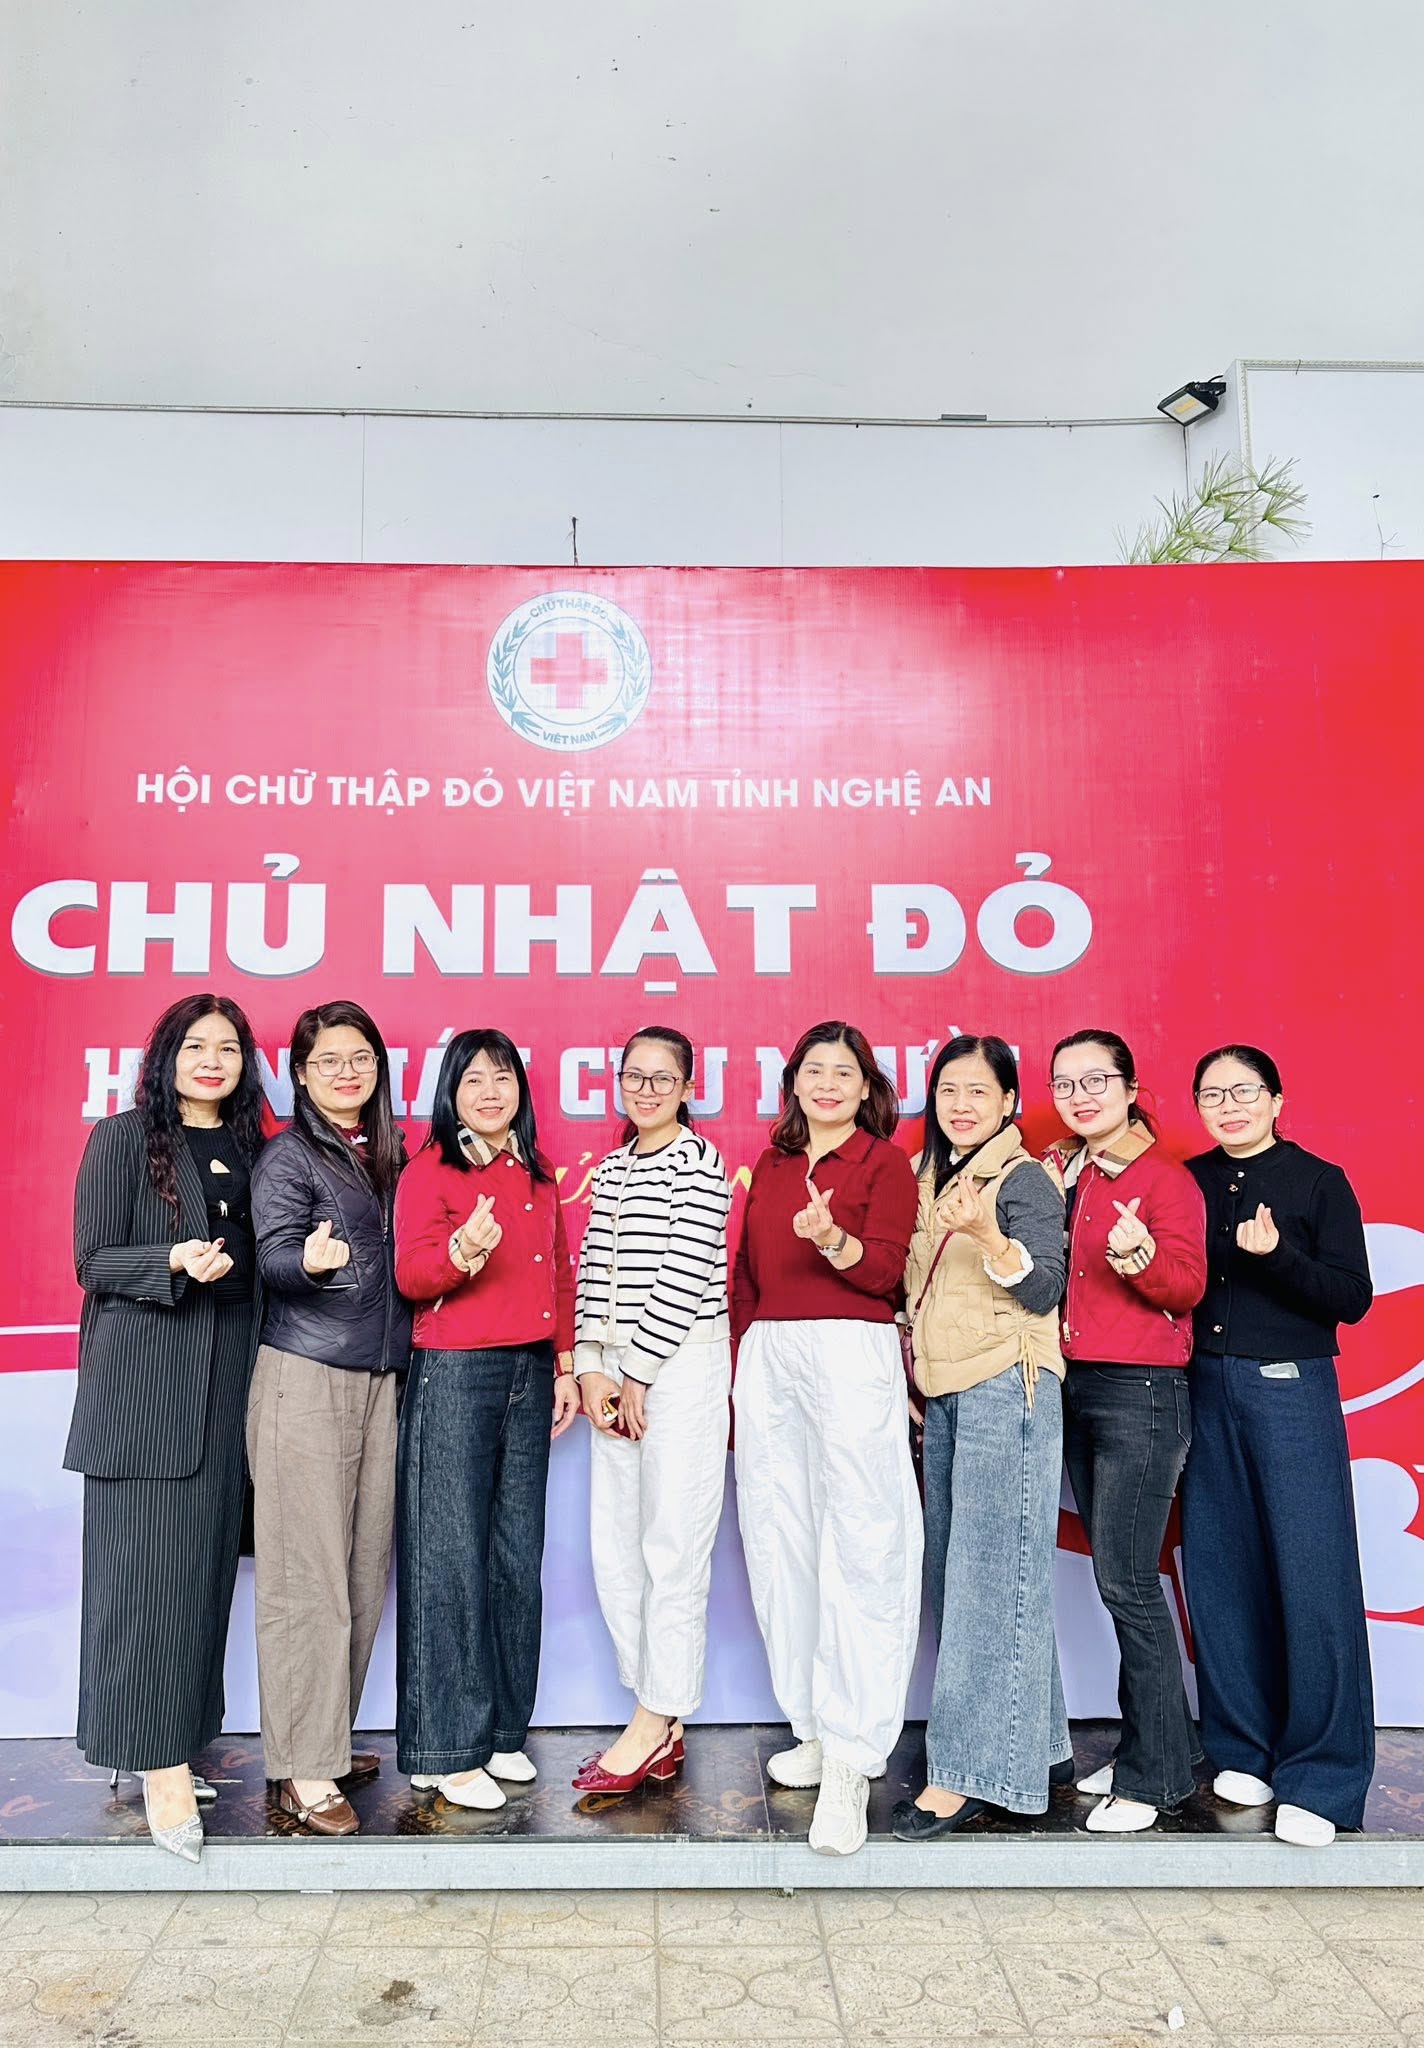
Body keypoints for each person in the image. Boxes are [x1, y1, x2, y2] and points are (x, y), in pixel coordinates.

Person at [65, 994, 266, 1864]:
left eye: (228, 1048)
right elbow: (93, 1260)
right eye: (195, 1046)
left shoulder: (255, 1148)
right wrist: (172, 1260)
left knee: (199, 1584)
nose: (212, 1060)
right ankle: (160, 1768)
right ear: (166, 1057)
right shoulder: (122, 1139)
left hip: (229, 1394)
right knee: (143, 1586)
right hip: (145, 1395)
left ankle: (172, 1741)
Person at [732, 1020, 921, 1857]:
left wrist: (833, 1241)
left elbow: (884, 1272)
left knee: (863, 1542)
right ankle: (813, 1724)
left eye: (844, 1072)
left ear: (867, 1085)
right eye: (814, 1070)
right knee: (782, 1540)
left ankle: (854, 1752)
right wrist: (745, 1363)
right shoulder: (773, 1164)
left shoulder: (883, 1163)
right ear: (794, 1084)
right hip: (771, 1353)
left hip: (851, 1349)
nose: (828, 1084)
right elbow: (746, 1276)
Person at [1182, 1044, 1374, 1848]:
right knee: (1220, 1571)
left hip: (1290, 1387)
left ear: (1276, 1099)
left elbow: (1352, 1297)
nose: (1228, 1107)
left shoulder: (1318, 1181)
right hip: (1202, 1386)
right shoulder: (1186, 1181)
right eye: (1212, 1095)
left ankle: (1324, 1777)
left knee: (1312, 1575)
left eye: (1244, 1092)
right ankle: (1242, 1749)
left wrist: (1278, 1257)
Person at [891, 1035, 1073, 1840]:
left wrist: (990, 1237)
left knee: (989, 1578)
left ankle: (970, 1775)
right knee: (966, 1573)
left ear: (1008, 1103)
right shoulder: (930, 1177)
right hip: (946, 1390)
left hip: (1009, 1382)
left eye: (978, 1092)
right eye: (948, 1091)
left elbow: (1045, 1286)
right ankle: (1045, 1744)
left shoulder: (1023, 1178)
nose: (961, 1105)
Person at [393, 1030, 579, 1811]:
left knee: (513, 1558)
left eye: (503, 1078)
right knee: (449, 1560)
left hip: (529, 1373)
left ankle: (501, 1731)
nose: (490, 1092)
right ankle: (444, 1749)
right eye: (473, 1080)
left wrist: (564, 1363)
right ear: (451, 1093)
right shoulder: (430, 1170)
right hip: (456, 1372)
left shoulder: (536, 1173)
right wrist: (463, 1252)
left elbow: (559, 1270)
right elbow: (412, 1275)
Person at [247, 1000, 411, 1838]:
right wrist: (306, 1263)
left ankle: (325, 1739)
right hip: (305, 1377)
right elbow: (273, 1255)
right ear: (302, 1076)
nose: (347, 1073)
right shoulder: (288, 1155)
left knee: (359, 1573)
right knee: (303, 1580)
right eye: (329, 1061)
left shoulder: (389, 1154)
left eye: (361, 1059)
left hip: (380, 1378)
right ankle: (301, 1770)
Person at [1043, 1028, 1207, 1834]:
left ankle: (1157, 1778)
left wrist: (1140, 1258)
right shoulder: (1066, 1173)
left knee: (1128, 1582)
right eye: (1065, 1083)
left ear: (1131, 1088)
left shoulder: (1164, 1180)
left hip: (1142, 1392)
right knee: (1122, 1581)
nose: (1080, 1096)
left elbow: (1188, 1287)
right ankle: (1154, 1744)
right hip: (1080, 1387)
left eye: (1096, 1080)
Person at [572, 1026, 732, 1793]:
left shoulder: (701, 1164)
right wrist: (590, 1367)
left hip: (682, 1366)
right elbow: (591, 1273)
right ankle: (659, 1717)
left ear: (688, 1088)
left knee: (673, 1547)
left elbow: (686, 1269)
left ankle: (651, 1720)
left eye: (662, 1078)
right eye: (633, 1076)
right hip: (614, 1371)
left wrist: (637, 1372)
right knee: (617, 1551)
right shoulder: (611, 1168)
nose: (645, 1090)